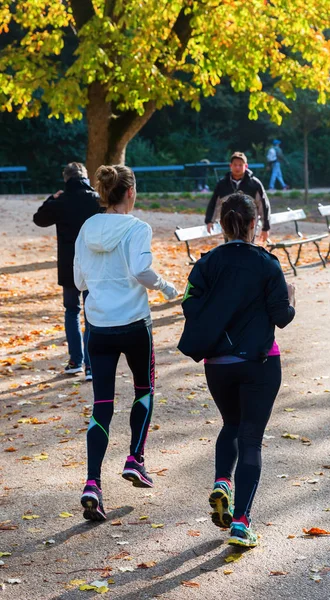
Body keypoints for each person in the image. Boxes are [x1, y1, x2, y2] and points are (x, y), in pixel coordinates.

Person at [178, 193, 295, 547]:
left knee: (230, 423)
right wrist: (291, 297)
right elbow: (281, 318)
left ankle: (220, 481)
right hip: (260, 363)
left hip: (218, 366)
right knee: (251, 440)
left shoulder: (205, 264)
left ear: (223, 224)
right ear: (252, 223)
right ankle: (241, 523)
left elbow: (188, 305)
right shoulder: (268, 264)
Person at [74, 164, 178, 521]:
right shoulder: (137, 228)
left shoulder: (87, 227)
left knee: (101, 404)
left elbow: (78, 278)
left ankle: (92, 483)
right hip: (134, 324)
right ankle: (135, 458)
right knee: (144, 390)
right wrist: (166, 287)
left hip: (98, 325)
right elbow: (141, 271)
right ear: (130, 192)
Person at [33, 162, 100, 381]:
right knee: (92, 314)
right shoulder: (97, 199)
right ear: (86, 176)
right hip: (92, 264)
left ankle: (75, 361)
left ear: (66, 178)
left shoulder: (61, 201)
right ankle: (92, 365)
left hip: (69, 266)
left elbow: (39, 219)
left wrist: (52, 198)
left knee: (72, 311)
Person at [205, 152, 270, 242]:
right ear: (230, 166)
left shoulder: (255, 184)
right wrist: (209, 221)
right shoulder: (222, 184)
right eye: (235, 165)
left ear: (246, 166)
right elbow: (214, 204)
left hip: (248, 226)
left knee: (248, 249)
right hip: (228, 224)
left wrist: (265, 227)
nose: (237, 168)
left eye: (240, 165)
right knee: (229, 249)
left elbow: (263, 206)